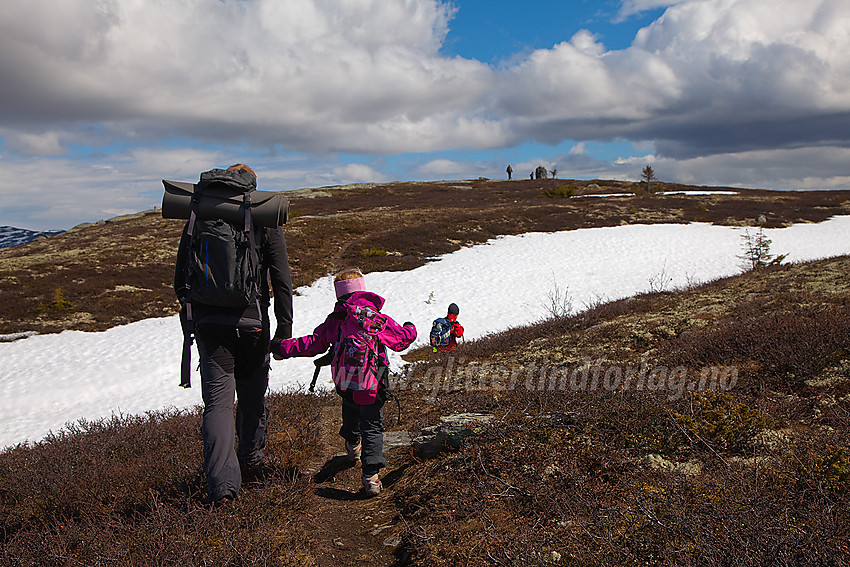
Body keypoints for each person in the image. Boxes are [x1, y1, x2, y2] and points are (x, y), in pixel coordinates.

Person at [174, 164, 293, 506]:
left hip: (210, 326)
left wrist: (194, 321)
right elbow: (282, 280)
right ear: (252, 189)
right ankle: (252, 460)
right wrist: (284, 329)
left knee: (218, 405)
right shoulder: (260, 217)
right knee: (252, 395)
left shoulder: (199, 215)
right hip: (252, 324)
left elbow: (180, 279)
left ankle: (223, 489)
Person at [270, 268, 416, 496]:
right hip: (373, 382)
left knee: (350, 410)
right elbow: (402, 340)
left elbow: (312, 344)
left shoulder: (335, 320)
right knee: (373, 425)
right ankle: (371, 477)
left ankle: (352, 447)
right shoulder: (375, 319)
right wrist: (410, 327)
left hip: (345, 382)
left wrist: (281, 346)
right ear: (362, 289)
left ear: (339, 294)